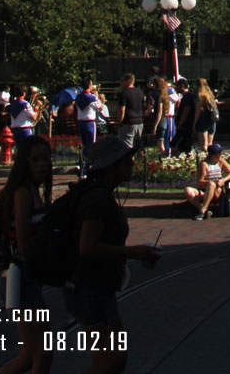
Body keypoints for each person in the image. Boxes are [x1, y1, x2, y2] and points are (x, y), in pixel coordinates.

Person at [69, 134, 162, 374]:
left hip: (100, 285)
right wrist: (136, 253)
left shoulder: (102, 194)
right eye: (126, 160)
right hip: (90, 286)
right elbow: (87, 247)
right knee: (108, 363)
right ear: (111, 166)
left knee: (115, 362)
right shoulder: (98, 199)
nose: (132, 164)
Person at [0, 136, 56, 374]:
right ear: (25, 163)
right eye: (36, 160)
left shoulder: (33, 191)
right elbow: (22, 242)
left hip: (20, 277)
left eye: (46, 159)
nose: (43, 164)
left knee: (32, 356)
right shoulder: (22, 193)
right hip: (18, 277)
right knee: (39, 355)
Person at [183, 142, 230, 219]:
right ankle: (203, 208)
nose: (220, 155)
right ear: (213, 155)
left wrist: (223, 180)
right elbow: (200, 183)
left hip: (217, 191)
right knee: (188, 190)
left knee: (212, 184)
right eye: (219, 153)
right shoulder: (204, 164)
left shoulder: (221, 162)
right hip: (205, 191)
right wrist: (211, 183)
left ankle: (202, 211)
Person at [75, 79, 100, 177]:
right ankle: (86, 169)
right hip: (89, 123)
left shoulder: (77, 97)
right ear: (89, 85)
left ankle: (80, 164)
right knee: (91, 146)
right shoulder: (92, 97)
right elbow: (100, 107)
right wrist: (97, 96)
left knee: (84, 145)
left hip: (81, 123)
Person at [115, 75, 144, 151]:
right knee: (138, 146)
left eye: (122, 81)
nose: (120, 83)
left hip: (129, 122)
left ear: (128, 81)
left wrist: (119, 123)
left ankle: (130, 162)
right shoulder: (140, 92)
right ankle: (142, 161)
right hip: (140, 122)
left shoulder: (124, 93)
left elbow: (122, 110)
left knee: (127, 146)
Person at [9, 86, 42, 150]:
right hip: (25, 130)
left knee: (20, 151)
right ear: (24, 93)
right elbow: (34, 118)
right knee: (28, 150)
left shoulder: (12, 104)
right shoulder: (25, 104)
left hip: (15, 132)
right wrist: (37, 108)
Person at [192, 78, 219, 152]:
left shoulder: (200, 95)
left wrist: (194, 123)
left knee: (204, 146)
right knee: (210, 144)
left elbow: (198, 109)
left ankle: (206, 160)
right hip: (212, 120)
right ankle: (211, 159)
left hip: (202, 120)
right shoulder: (210, 94)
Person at [172, 77, 196, 154]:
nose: (175, 88)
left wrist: (180, 123)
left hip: (185, 126)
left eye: (177, 86)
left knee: (177, 144)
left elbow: (186, 110)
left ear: (182, 86)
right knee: (183, 145)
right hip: (185, 125)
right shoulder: (186, 96)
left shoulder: (187, 96)